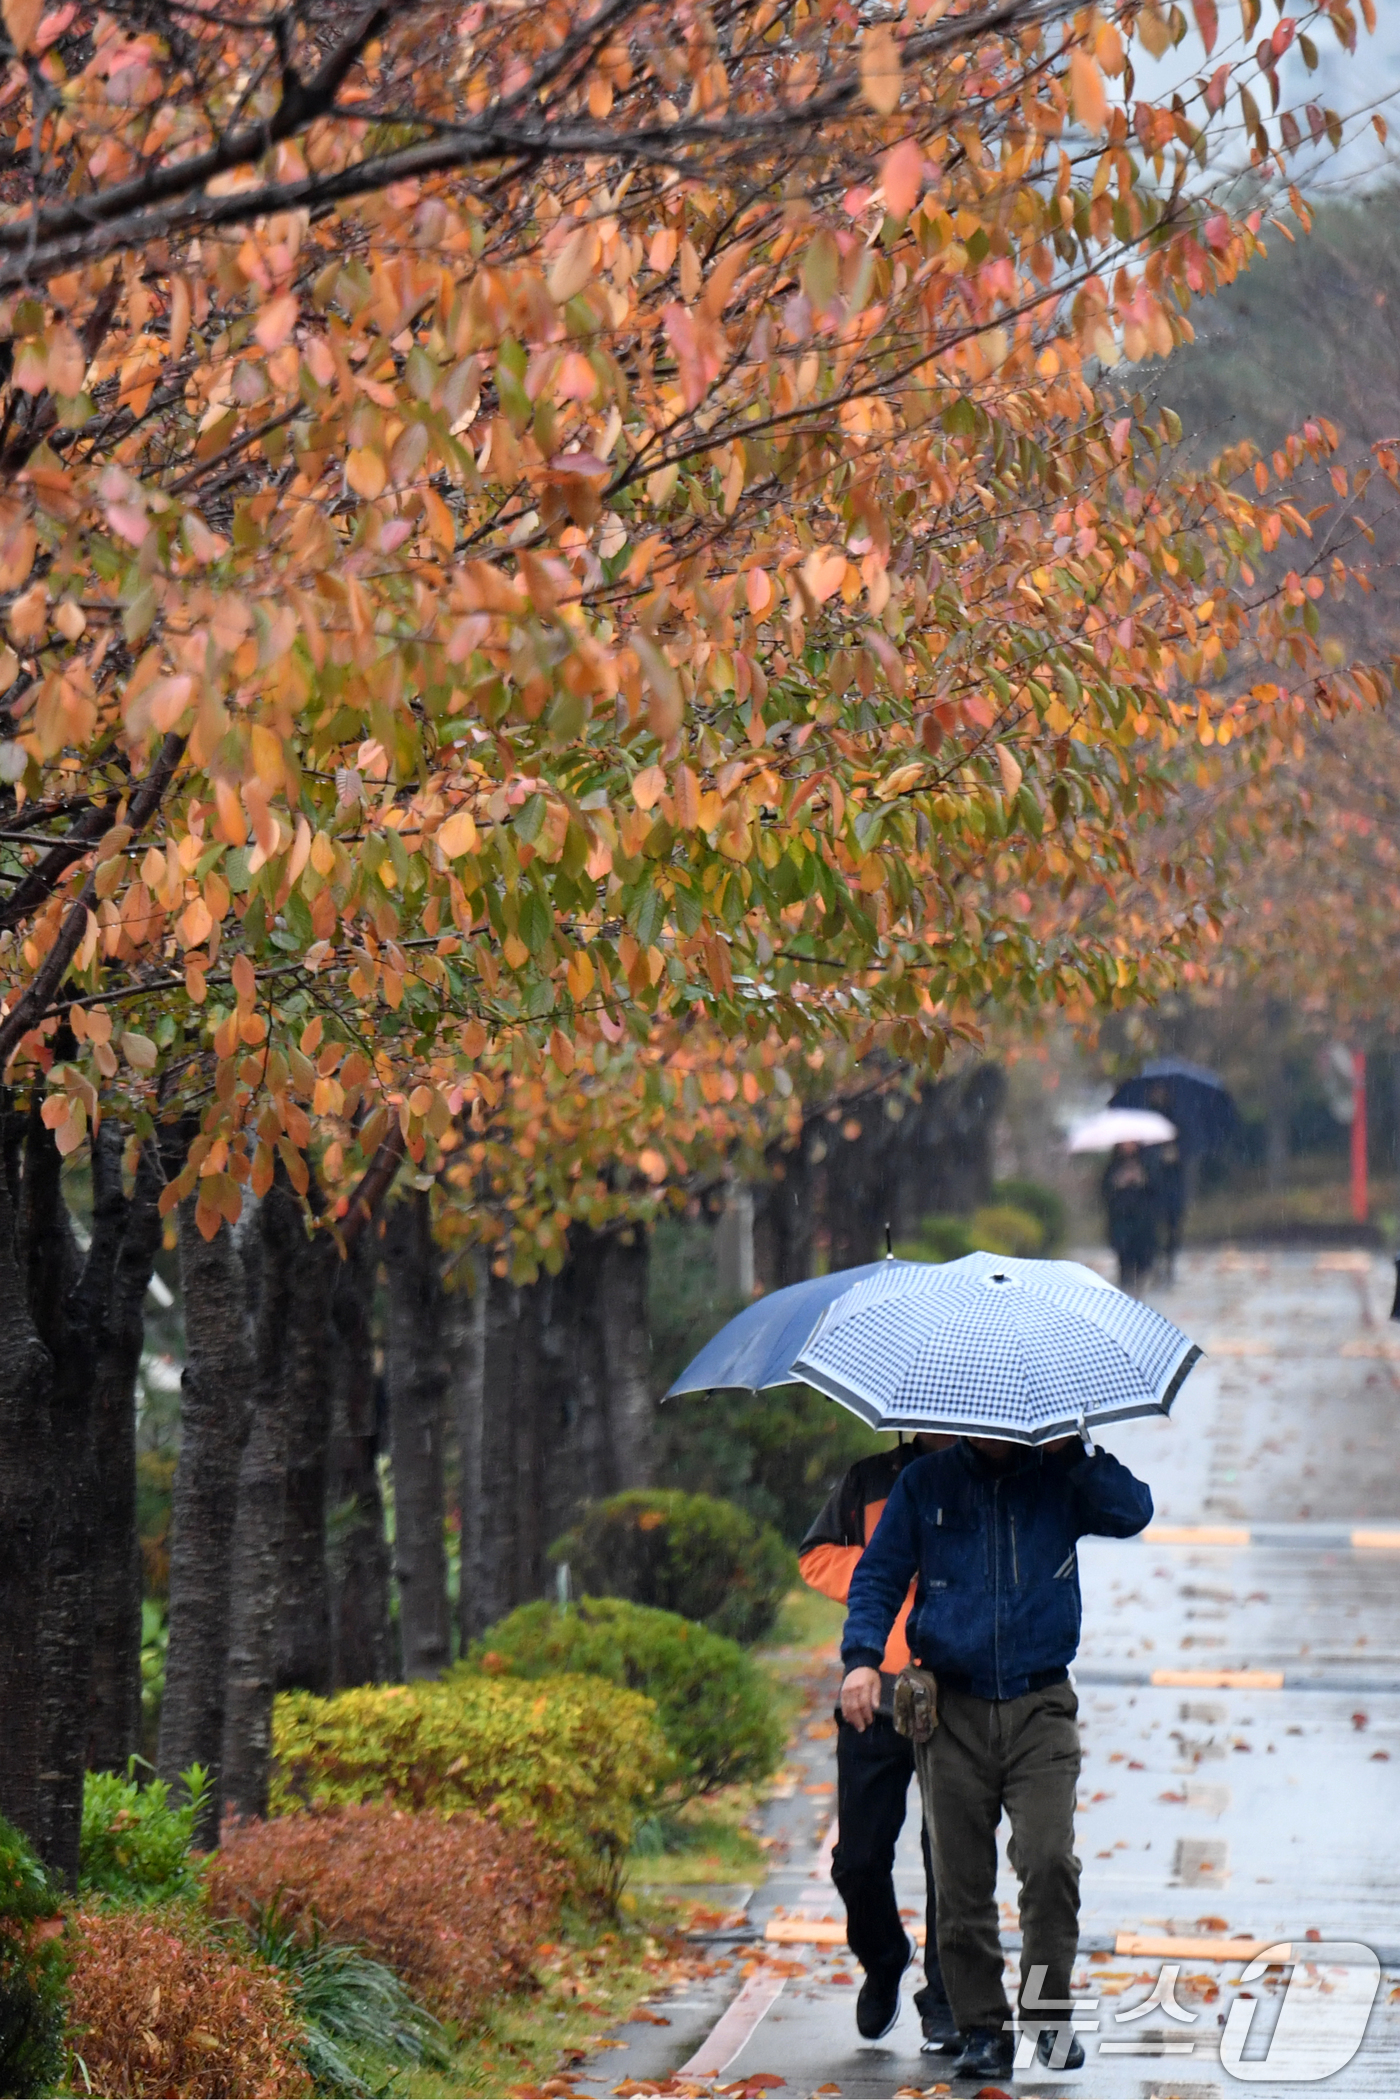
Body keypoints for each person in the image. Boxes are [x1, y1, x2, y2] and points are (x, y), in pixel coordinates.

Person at [839, 1432, 1153, 2081]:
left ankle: (1046, 2014)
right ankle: (982, 2027)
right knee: (959, 1882)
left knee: (1047, 1861)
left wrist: (1074, 1454)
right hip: (951, 1707)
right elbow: (877, 1575)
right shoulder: (924, 1483)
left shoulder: (1062, 1475)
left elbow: (1133, 1512)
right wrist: (863, 1659)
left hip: (1041, 1704)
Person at [799, 1439, 959, 2052]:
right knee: (858, 1859)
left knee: (951, 1859)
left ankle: (944, 1998)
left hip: (955, 1691)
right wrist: (881, 1568)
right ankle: (884, 1954)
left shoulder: (987, 1473)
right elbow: (814, 1556)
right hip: (875, 1690)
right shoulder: (869, 1479)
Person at [1102, 1141, 1156, 1291]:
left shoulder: (1147, 1163)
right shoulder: (1113, 1166)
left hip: (1142, 1218)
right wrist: (1118, 1183)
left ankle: (1140, 1283)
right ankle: (1125, 1284)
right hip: (1121, 1217)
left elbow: (1156, 1191)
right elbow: (1105, 1192)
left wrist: (1141, 1180)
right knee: (1124, 1256)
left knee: (1143, 1256)